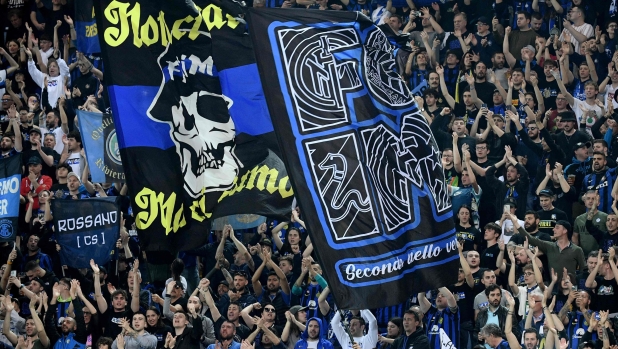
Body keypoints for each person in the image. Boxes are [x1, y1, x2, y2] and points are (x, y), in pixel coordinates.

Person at [509, 214, 585, 278]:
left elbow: (583, 270)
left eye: (557, 227)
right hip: (552, 287)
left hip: (570, 287)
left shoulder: (577, 250)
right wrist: (516, 223)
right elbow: (530, 239)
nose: (553, 230)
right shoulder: (549, 246)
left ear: (565, 231)